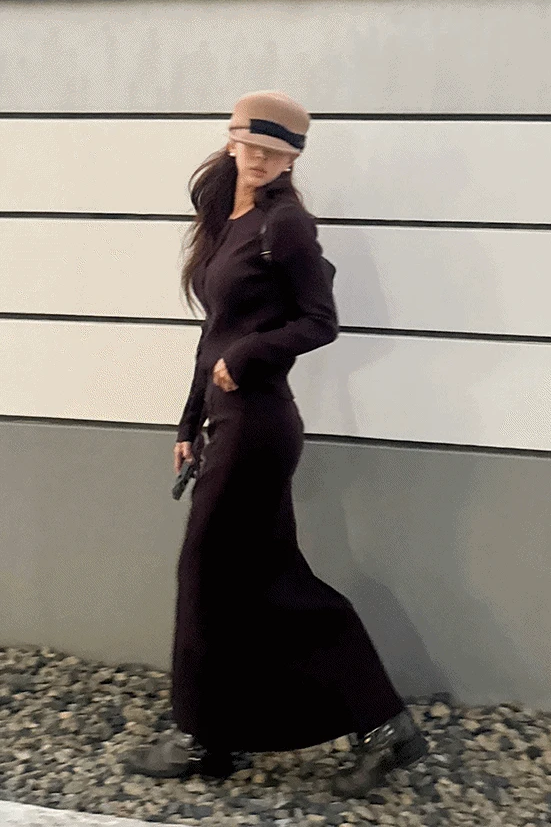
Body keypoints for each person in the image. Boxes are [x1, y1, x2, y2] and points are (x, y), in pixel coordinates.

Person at [125, 92, 427, 798]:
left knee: (212, 575)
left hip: (259, 426)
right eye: (249, 145)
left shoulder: (284, 223)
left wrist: (251, 355)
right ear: (231, 139)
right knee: (255, 582)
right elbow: (214, 334)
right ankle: (366, 727)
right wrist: (188, 422)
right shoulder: (227, 217)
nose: (258, 160)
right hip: (226, 422)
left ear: (292, 158)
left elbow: (320, 321)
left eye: (274, 152)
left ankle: (202, 734)